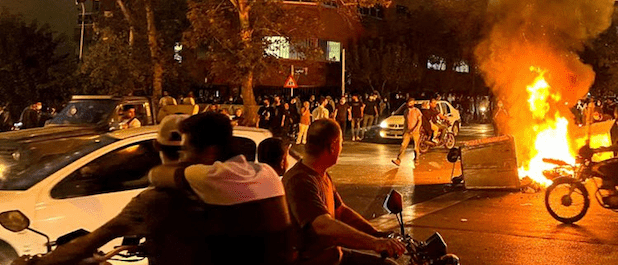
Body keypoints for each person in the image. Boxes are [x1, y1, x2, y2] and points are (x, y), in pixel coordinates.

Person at [10, 115, 210, 265]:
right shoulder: (223, 189)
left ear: (157, 146)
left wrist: (37, 263)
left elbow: (91, 241)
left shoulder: (156, 200)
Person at [149, 112, 294, 264]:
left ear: (210, 151)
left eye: (185, 150)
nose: (182, 158)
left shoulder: (211, 176)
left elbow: (156, 175)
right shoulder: (266, 171)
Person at [282, 119, 405, 264]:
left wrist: (378, 235)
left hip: (334, 256)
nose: (341, 147)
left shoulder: (321, 174)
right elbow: (323, 224)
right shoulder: (300, 181)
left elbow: (341, 211)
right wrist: (374, 243)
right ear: (333, 146)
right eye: (341, 143)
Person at [391, 98, 422, 167]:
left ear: (414, 103)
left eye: (411, 103)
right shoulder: (406, 111)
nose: (410, 104)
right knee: (403, 145)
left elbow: (420, 121)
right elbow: (406, 122)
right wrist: (404, 131)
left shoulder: (417, 111)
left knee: (416, 147)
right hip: (407, 131)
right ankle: (398, 160)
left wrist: (416, 128)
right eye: (409, 103)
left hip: (415, 132)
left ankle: (417, 159)